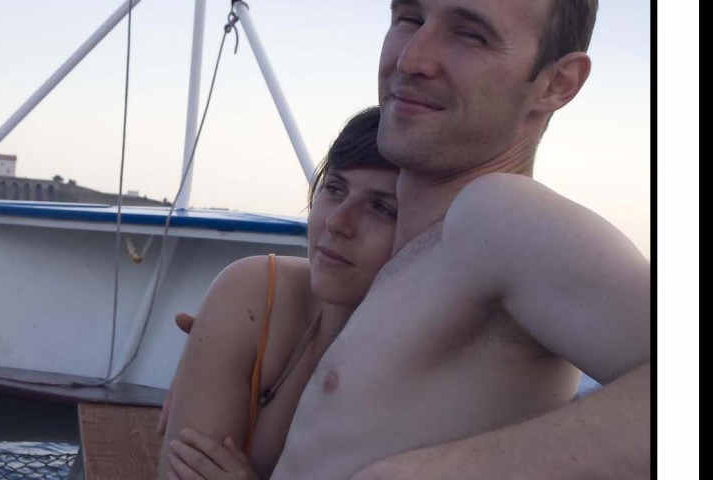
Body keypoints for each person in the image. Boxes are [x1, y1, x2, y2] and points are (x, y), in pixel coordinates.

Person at [167, 0, 650, 479]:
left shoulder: (501, 214)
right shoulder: (426, 252)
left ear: (557, 83)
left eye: (470, 34)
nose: (411, 59)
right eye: (409, 19)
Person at [157, 106, 401, 480]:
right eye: (335, 188)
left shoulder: (446, 366)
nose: (337, 222)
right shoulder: (256, 293)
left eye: (382, 208)